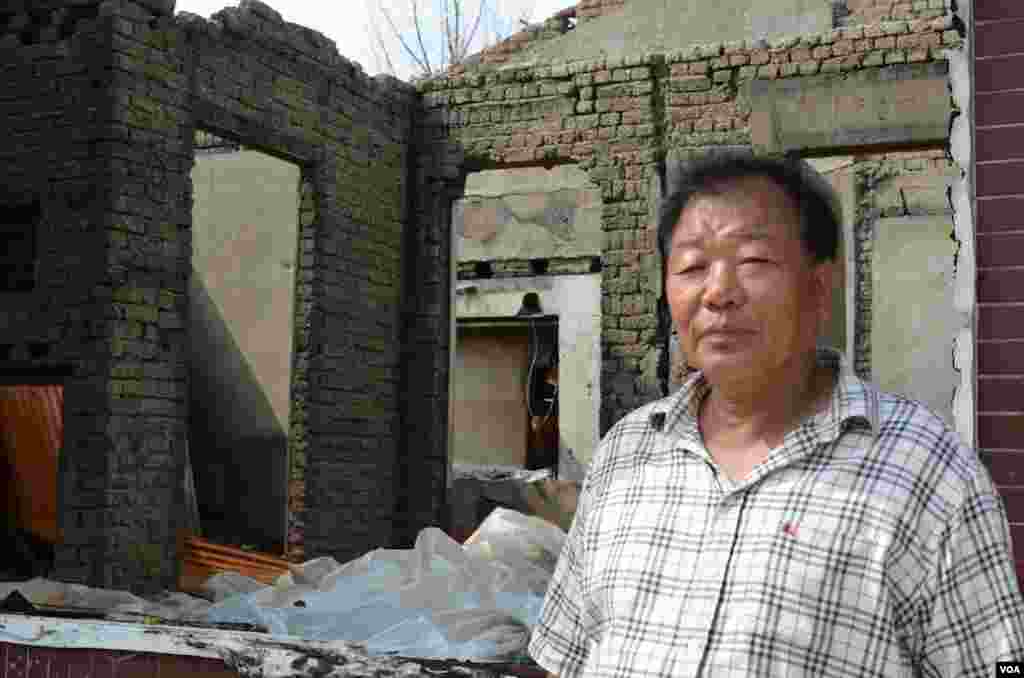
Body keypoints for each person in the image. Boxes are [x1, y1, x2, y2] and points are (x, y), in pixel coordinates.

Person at [527, 152, 1024, 677]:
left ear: (819, 287)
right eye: (692, 267)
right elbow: (568, 658)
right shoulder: (624, 453)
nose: (718, 293)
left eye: (754, 262)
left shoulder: (930, 472)